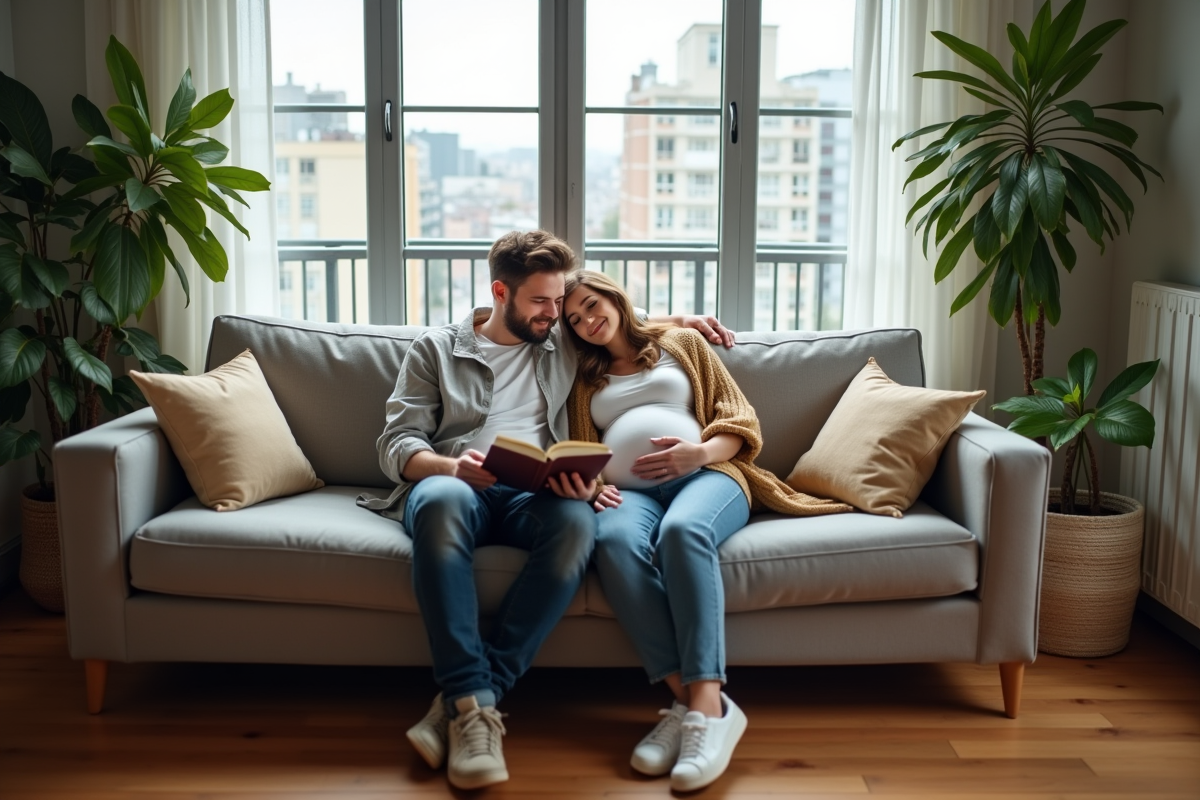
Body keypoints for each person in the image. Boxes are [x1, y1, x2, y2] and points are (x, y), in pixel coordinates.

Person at [359, 231, 734, 790]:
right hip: (458, 482)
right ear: (500, 292)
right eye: (542, 301)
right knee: (438, 503)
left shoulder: (562, 337)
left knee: (580, 524)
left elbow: (620, 323)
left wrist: (687, 319)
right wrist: (447, 467)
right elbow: (397, 442)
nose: (555, 314)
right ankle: (473, 702)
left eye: (560, 301)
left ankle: (468, 701)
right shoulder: (436, 348)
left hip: (535, 490)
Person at [561, 270, 851, 792]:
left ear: (614, 295)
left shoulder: (683, 342)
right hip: (629, 494)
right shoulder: (584, 373)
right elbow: (581, 443)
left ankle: (697, 710)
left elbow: (738, 417)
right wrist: (590, 480)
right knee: (613, 542)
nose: (587, 321)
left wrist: (698, 452)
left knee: (682, 533)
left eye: (591, 304)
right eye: (575, 318)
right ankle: (700, 705)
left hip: (709, 475)